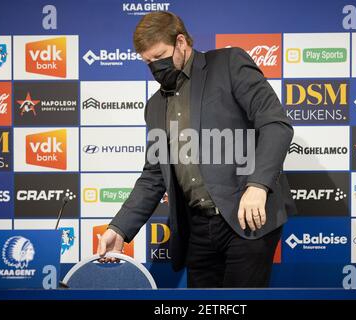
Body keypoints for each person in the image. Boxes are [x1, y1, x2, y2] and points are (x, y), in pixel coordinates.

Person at [97, 11, 295, 288]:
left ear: (181, 42)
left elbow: (275, 125)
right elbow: (154, 175)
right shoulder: (155, 106)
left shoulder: (228, 64)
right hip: (197, 229)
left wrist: (257, 185)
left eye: (159, 56)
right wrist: (119, 228)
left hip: (247, 219)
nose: (155, 67)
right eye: (148, 62)